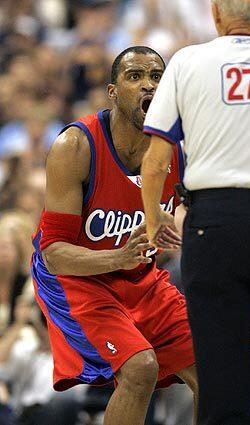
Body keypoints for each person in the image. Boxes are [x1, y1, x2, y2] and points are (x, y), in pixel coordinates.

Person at [141, 1, 250, 424]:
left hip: (214, 224)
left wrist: (153, 217)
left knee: (220, 372)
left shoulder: (187, 63)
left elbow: (156, 159)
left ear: (215, 13)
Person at [31, 46, 198, 425]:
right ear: (113, 91)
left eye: (156, 77)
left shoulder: (178, 150)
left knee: (217, 366)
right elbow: (53, 252)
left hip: (140, 276)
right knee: (140, 369)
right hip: (75, 280)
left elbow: (198, 214)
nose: (148, 86)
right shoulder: (74, 147)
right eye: (135, 76)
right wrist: (118, 258)